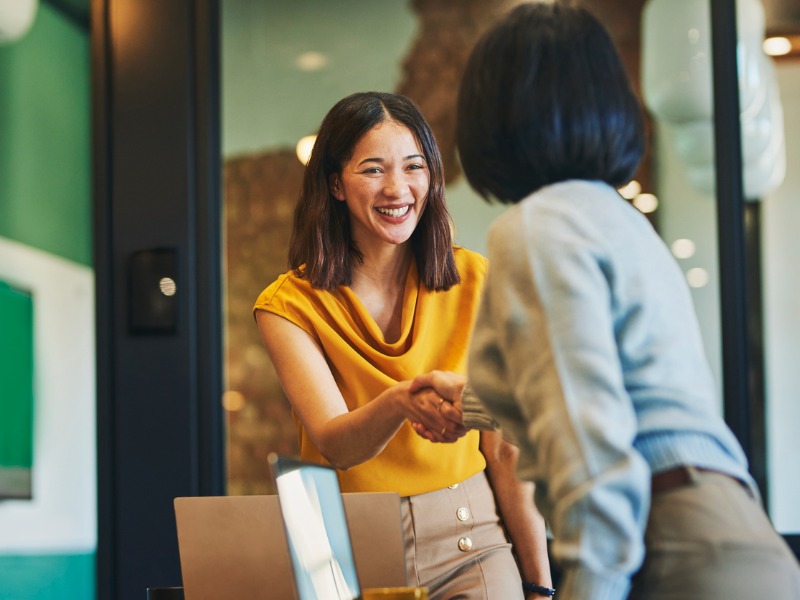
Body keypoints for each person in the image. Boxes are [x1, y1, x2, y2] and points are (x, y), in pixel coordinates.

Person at [411, 3, 800, 600]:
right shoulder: (615, 219)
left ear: (496, 113)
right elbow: (617, 389)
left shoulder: (537, 229)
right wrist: (471, 405)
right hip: (728, 532)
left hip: (671, 544)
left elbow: (593, 464)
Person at [253, 91, 552, 599]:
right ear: (335, 184)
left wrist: (541, 587)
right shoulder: (287, 306)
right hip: (345, 553)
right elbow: (336, 444)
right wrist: (400, 400)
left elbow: (505, 452)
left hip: (471, 539)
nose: (397, 189)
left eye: (414, 167)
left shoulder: (478, 281)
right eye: (372, 170)